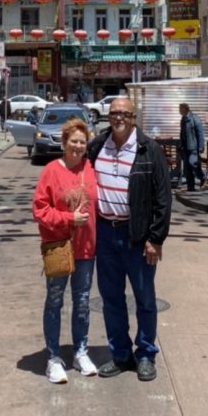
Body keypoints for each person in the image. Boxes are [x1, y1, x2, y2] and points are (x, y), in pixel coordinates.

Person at [87, 96, 172, 382]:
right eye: (114, 113)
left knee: (145, 298)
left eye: (124, 113)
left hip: (137, 236)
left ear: (134, 118)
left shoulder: (149, 150)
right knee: (111, 298)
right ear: (108, 116)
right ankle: (121, 355)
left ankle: (146, 354)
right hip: (105, 234)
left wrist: (155, 238)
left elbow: (163, 197)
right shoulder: (98, 146)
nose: (119, 117)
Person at [32, 118, 98, 384]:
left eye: (82, 142)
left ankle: (80, 351)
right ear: (64, 142)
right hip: (59, 246)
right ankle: (53, 356)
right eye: (73, 141)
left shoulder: (91, 168)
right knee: (55, 300)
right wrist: (69, 219)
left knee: (82, 301)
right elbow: (40, 210)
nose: (78, 146)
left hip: (86, 248)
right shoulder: (51, 171)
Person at [179, 102, 206, 192]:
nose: (179, 111)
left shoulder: (195, 118)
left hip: (193, 147)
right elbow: (182, 133)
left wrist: (201, 147)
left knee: (192, 162)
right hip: (185, 147)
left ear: (185, 109)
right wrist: (181, 145)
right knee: (187, 168)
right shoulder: (183, 119)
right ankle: (191, 186)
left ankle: (202, 177)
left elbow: (200, 133)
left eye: (180, 109)